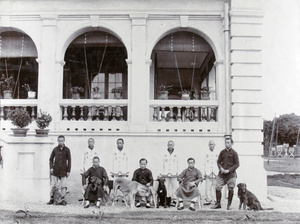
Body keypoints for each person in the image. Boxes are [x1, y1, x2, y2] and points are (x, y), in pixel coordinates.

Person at [211, 138, 239, 210]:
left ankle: (229, 205)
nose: (227, 144)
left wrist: (229, 170)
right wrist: (221, 169)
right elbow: (218, 162)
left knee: (231, 189)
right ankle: (218, 204)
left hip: (231, 175)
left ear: (232, 143)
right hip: (222, 174)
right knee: (217, 187)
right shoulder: (222, 152)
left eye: (228, 142)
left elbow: (237, 164)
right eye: (226, 142)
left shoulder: (234, 153)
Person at [47, 135, 71, 205]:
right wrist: (51, 168)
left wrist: (68, 171)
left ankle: (62, 199)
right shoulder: (55, 149)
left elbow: (69, 160)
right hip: (56, 169)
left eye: (62, 141)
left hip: (64, 170)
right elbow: (51, 159)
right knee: (54, 185)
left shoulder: (67, 150)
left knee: (63, 185)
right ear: (58, 141)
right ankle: (52, 198)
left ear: (64, 141)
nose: (61, 142)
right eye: (59, 141)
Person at [161, 140, 178, 206]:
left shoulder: (176, 154)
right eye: (169, 145)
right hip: (166, 173)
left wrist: (177, 173)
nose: (170, 146)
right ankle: (167, 200)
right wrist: (163, 173)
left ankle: (174, 200)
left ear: (173, 146)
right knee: (166, 187)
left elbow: (178, 164)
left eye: (171, 145)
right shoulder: (164, 154)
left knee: (174, 187)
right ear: (167, 145)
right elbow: (162, 164)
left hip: (174, 173)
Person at [203, 140, 219, 205]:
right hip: (208, 172)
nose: (211, 145)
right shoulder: (205, 153)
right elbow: (203, 163)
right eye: (210, 144)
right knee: (208, 187)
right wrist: (204, 173)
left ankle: (216, 200)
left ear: (215, 145)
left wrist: (219, 172)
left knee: (215, 187)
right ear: (208, 145)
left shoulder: (217, 153)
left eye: (213, 144)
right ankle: (208, 199)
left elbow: (220, 163)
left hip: (215, 172)